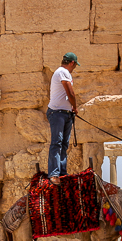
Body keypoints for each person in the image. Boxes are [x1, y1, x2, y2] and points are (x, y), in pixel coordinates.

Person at [46, 53, 79, 185]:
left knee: (64, 144)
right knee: (57, 143)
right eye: (75, 65)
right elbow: (70, 93)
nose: (75, 67)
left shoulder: (64, 73)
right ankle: (54, 173)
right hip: (57, 113)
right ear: (72, 63)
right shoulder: (62, 72)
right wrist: (75, 107)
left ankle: (62, 173)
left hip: (65, 113)